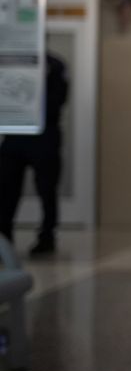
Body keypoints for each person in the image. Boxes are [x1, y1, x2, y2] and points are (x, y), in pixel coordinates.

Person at [0, 52, 68, 256]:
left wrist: (44, 76)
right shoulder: (8, 61)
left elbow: (59, 100)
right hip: (15, 133)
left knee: (46, 190)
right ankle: (4, 237)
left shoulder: (55, 65)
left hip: (44, 135)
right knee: (6, 189)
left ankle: (47, 237)